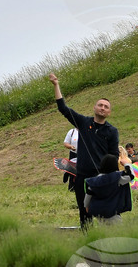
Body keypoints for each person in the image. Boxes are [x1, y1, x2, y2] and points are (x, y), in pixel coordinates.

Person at [49, 72, 119, 228]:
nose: (102, 108)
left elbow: (114, 156)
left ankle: (109, 241)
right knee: (84, 212)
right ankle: (88, 241)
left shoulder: (112, 131)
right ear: (94, 107)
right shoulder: (82, 122)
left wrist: (109, 177)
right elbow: (63, 108)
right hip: (82, 177)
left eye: (106, 107)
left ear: (109, 112)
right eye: (100, 105)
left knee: (106, 211)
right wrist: (56, 85)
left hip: (101, 177)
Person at [83, 154, 133, 224]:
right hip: (114, 214)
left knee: (103, 232)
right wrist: (127, 164)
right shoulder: (117, 178)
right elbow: (131, 176)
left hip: (99, 214)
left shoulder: (94, 181)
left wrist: (86, 206)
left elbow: (88, 195)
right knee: (117, 233)